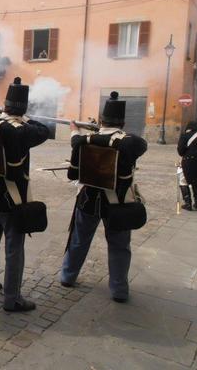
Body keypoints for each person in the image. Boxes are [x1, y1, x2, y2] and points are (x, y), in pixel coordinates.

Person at [0, 77, 50, 312]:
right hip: (13, 200)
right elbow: (43, 130)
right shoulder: (20, 131)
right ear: (22, 109)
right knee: (14, 249)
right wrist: (20, 117)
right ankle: (12, 299)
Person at [60, 91, 147, 303]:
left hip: (88, 200)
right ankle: (119, 290)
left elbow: (73, 173)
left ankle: (68, 276)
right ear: (123, 122)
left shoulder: (82, 141)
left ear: (101, 120)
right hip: (118, 204)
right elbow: (138, 144)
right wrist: (99, 135)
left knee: (79, 240)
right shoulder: (129, 142)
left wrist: (81, 134)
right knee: (119, 246)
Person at [177, 121, 197, 211]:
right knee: (196, 182)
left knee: (183, 181)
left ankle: (188, 204)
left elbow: (180, 151)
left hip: (189, 162)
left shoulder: (185, 136)